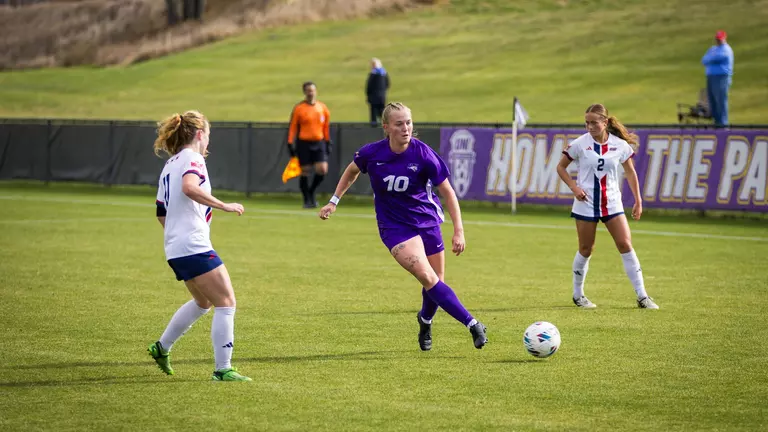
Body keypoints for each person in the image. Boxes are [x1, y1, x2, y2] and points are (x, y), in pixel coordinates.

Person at [318, 102, 488, 351]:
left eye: (408, 122)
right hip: (395, 227)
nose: (406, 128)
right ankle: (473, 324)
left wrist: (459, 230)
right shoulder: (372, 154)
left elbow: (448, 193)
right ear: (386, 127)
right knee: (427, 276)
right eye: (399, 124)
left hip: (427, 222)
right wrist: (334, 201)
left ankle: (425, 320)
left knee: (435, 282)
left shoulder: (424, 154)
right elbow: (352, 171)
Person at [148, 110, 252, 381]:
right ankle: (223, 369)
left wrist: (177, 234)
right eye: (208, 136)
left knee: (203, 302)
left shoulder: (170, 164)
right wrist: (223, 205)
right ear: (200, 134)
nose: (208, 143)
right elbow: (189, 188)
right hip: (192, 244)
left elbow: (161, 212)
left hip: (176, 247)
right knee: (226, 302)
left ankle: (161, 347)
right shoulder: (193, 158)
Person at [556, 104, 658, 310]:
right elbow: (561, 167)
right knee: (586, 249)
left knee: (625, 244)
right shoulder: (579, 144)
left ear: (605, 122)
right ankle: (578, 295)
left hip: (612, 203)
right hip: (586, 204)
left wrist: (638, 200)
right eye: (586, 122)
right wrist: (574, 188)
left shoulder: (620, 145)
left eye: (594, 122)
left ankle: (642, 296)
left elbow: (630, 172)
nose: (589, 126)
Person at [287, 81, 332, 208]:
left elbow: (326, 127)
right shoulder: (299, 108)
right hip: (304, 143)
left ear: (316, 91)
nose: (310, 93)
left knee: (322, 169)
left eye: (312, 90)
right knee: (305, 171)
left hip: (319, 142)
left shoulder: (322, 107)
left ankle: (311, 191)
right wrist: (290, 143)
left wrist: (328, 141)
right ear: (305, 92)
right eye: (308, 90)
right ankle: (307, 199)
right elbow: (293, 127)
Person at [701, 30, 734, 127]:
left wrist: (711, 59)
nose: (718, 41)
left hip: (721, 78)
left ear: (724, 39)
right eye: (717, 39)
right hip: (710, 77)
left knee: (721, 100)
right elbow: (704, 60)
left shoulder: (726, 49)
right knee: (712, 100)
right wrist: (711, 59)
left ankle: (723, 124)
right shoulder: (712, 49)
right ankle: (716, 123)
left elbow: (717, 58)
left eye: (720, 39)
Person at [365, 58, 390, 125]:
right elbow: (388, 84)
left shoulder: (373, 74)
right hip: (382, 96)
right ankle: (385, 124)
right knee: (382, 112)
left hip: (373, 97)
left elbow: (369, 86)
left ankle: (374, 126)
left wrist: (368, 95)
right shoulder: (384, 73)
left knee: (373, 113)